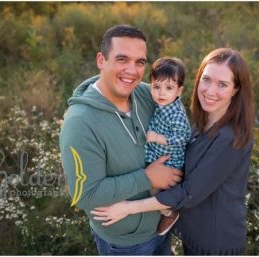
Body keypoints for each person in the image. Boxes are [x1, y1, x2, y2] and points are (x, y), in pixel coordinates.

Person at [90, 48, 255, 255]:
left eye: (222, 84)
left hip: (214, 241)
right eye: (206, 80)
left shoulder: (229, 138)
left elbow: (190, 192)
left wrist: (127, 208)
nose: (210, 91)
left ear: (236, 89)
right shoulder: (205, 123)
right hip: (196, 233)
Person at [59, 24, 183, 255]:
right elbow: (85, 195)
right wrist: (147, 178)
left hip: (162, 227)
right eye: (122, 59)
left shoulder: (146, 93)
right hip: (125, 243)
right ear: (101, 60)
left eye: (139, 62)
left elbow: (175, 116)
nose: (132, 71)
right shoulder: (80, 124)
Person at [143, 57, 191, 235]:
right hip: (158, 155)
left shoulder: (176, 114)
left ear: (179, 91)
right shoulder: (162, 105)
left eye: (169, 88)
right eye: (156, 87)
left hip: (170, 162)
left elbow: (181, 138)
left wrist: (156, 137)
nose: (161, 93)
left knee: (153, 188)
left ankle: (169, 212)